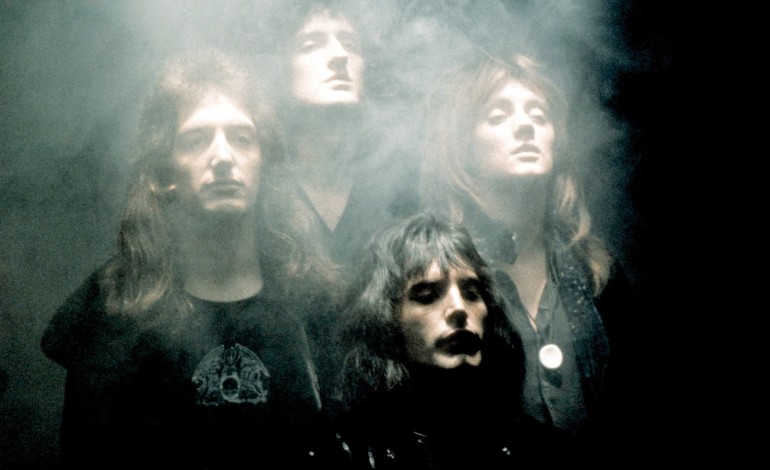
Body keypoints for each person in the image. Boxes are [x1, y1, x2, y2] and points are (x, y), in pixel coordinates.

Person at [40, 48, 341, 469]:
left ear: (265, 164)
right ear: (165, 175)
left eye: (242, 138)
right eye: (197, 139)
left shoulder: (316, 307)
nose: (223, 157)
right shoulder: (112, 311)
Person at [420, 52, 642, 455]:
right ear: (462, 146)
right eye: (498, 115)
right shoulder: (435, 275)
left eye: (539, 115)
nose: (526, 125)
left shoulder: (596, 271)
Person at [331, 212, 575, 469]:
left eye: (472, 293)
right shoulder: (348, 456)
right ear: (386, 319)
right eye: (427, 295)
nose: (459, 308)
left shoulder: (545, 453)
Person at [269, 0, 419, 409]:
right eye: (312, 43)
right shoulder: (261, 192)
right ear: (280, 69)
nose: (338, 56)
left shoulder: (399, 188)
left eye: (350, 44)